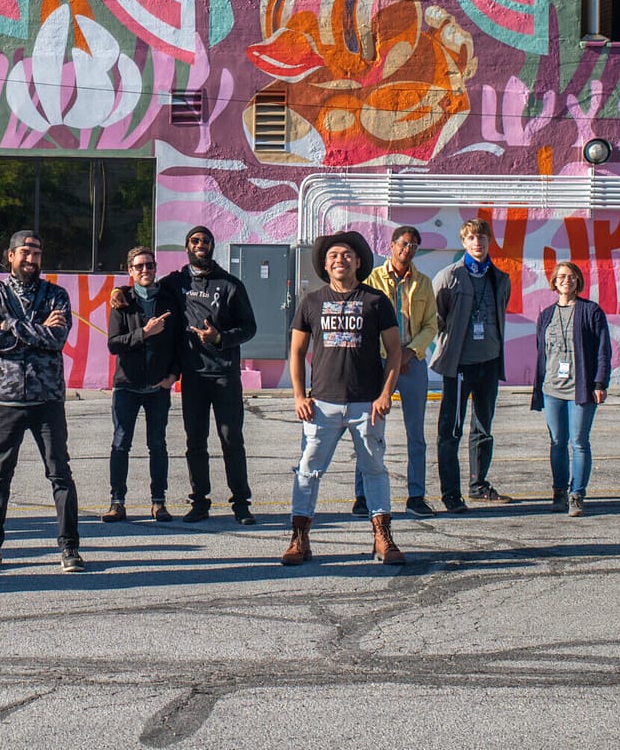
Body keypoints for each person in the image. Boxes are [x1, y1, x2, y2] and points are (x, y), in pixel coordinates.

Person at [282, 231, 405, 566]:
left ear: (359, 261)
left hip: (367, 403)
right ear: (325, 264)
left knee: (374, 469)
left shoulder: (376, 301)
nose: (340, 260)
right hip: (322, 403)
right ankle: (300, 538)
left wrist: (385, 394)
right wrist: (297, 395)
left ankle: (383, 536)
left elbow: (394, 353)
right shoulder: (311, 301)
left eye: (347, 255)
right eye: (334, 255)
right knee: (308, 470)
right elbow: (296, 351)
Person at [0, 230, 85, 572]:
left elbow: (57, 339)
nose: (31, 259)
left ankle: (69, 548)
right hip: (6, 399)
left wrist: (12, 325)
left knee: (60, 474)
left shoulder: (56, 295)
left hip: (47, 397)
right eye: (25, 252)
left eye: (36, 253)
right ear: (10, 256)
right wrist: (32, 327)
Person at [159, 225, 258, 524]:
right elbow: (145, 289)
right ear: (187, 246)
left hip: (225, 375)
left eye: (206, 241)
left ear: (213, 246)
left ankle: (241, 504)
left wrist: (220, 339)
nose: (201, 245)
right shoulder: (174, 284)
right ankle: (200, 502)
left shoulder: (229, 284)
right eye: (195, 240)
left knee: (231, 439)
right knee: (195, 441)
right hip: (193, 377)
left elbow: (249, 327)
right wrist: (118, 294)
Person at [431, 218, 511, 512]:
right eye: (472, 239)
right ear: (463, 242)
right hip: (459, 366)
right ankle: (450, 493)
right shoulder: (449, 277)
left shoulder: (500, 278)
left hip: (488, 363)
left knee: (483, 427)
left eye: (483, 238)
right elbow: (438, 317)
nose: (478, 243)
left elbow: (500, 312)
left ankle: (478, 485)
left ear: (489, 242)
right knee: (451, 430)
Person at [362, 226, 438, 518]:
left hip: (412, 361)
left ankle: (416, 496)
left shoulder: (423, 283)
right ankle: (362, 496)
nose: (409, 249)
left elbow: (431, 324)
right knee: (368, 429)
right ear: (392, 245)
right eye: (404, 244)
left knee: (415, 433)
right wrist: (389, 353)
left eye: (415, 246)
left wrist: (410, 351)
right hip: (380, 362)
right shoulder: (372, 280)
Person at [103, 246, 183, 523]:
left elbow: (178, 344)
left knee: (158, 445)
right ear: (130, 271)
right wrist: (144, 333)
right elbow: (114, 344)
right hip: (127, 386)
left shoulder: (168, 301)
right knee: (120, 444)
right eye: (139, 266)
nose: (145, 270)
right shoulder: (123, 302)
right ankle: (117, 502)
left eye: (149, 265)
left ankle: (158, 502)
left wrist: (174, 375)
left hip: (157, 389)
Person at [530, 261, 613, 517]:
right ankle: (558, 492)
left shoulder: (591, 311)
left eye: (572, 276)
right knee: (557, 442)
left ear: (578, 282)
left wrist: (600, 383)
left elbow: (603, 351)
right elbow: (541, 352)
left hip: (581, 390)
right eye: (562, 277)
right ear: (554, 282)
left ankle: (577, 494)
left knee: (579, 442)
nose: (567, 280)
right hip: (552, 388)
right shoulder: (546, 315)